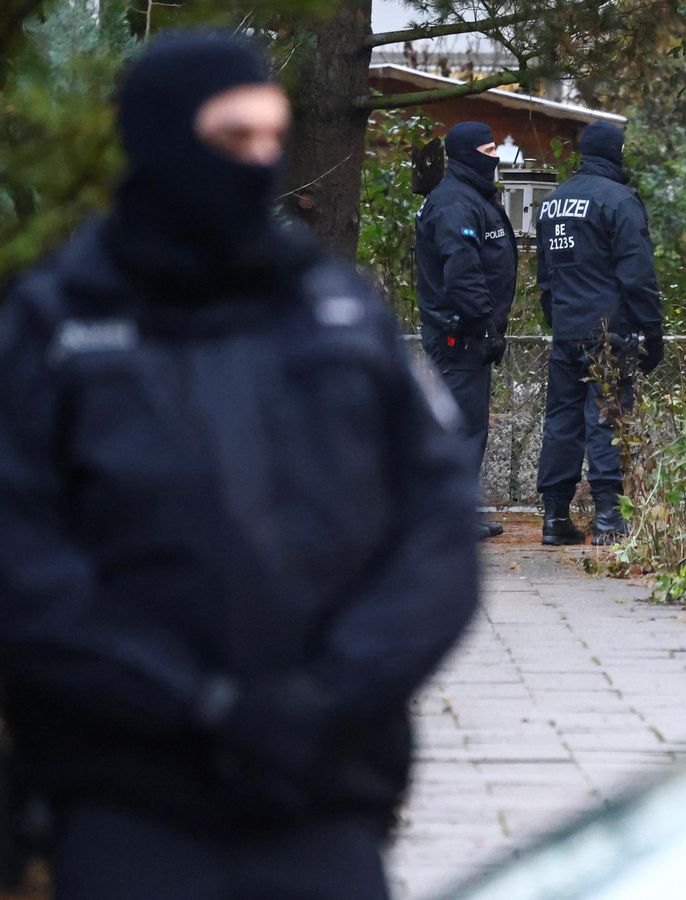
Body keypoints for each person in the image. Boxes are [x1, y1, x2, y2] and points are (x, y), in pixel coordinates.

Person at [0, 32, 480, 899]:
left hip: (320, 799)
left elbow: (438, 527)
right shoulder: (56, 328)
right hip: (130, 805)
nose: (259, 161)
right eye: (232, 139)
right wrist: (195, 704)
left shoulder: (336, 313)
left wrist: (328, 696)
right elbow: (26, 568)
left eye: (272, 138)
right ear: (161, 139)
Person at [534, 121, 664, 546]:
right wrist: (652, 330)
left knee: (561, 421)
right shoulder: (619, 200)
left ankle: (555, 518)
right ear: (616, 152)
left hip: (567, 330)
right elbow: (637, 273)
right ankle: (608, 516)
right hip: (609, 332)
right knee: (607, 415)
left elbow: (546, 276)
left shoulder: (552, 202)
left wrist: (559, 319)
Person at [415, 120, 519, 541]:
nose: (495, 158)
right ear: (469, 154)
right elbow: (461, 271)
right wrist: (483, 324)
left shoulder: (469, 197)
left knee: (467, 423)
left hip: (469, 333)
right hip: (460, 334)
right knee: (460, 425)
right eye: (489, 149)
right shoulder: (455, 204)